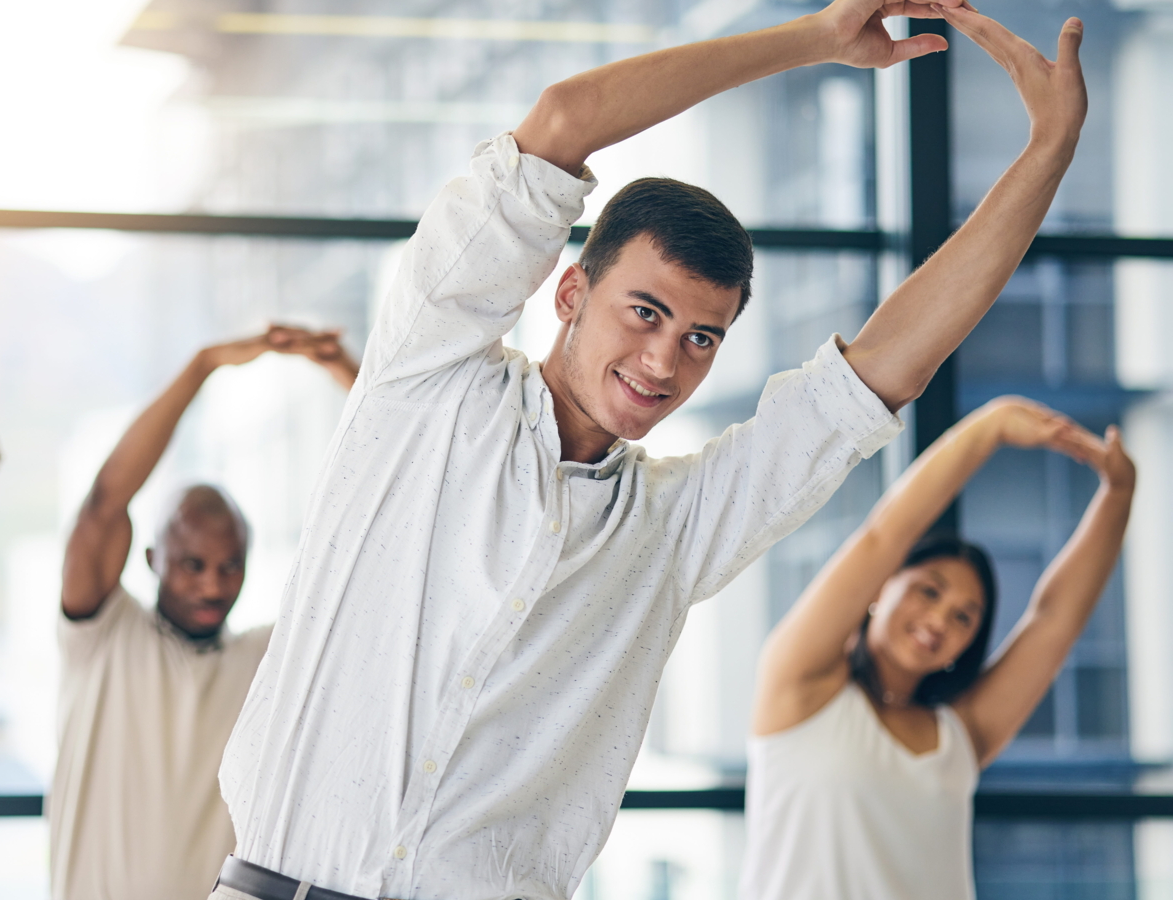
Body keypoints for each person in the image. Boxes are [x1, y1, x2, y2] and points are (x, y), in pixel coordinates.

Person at [210, 2, 1088, 899]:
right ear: (568, 292)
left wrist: (1050, 151)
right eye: (646, 312)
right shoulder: (425, 382)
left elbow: (882, 370)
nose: (665, 361)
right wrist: (818, 40)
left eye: (703, 338)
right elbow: (562, 122)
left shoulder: (673, 528)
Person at [742, 398, 1134, 899]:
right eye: (929, 590)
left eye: (964, 616)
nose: (938, 620)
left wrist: (1119, 493)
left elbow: (1054, 621)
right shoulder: (798, 687)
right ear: (882, 588)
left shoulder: (960, 736)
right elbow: (884, 536)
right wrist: (987, 429)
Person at [49, 325, 357, 900]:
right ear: (151, 559)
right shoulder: (102, 635)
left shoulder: (262, 660)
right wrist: (202, 366)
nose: (213, 584)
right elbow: (103, 504)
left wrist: (346, 374)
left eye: (230, 565)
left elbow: (388, 527)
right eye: (192, 564)